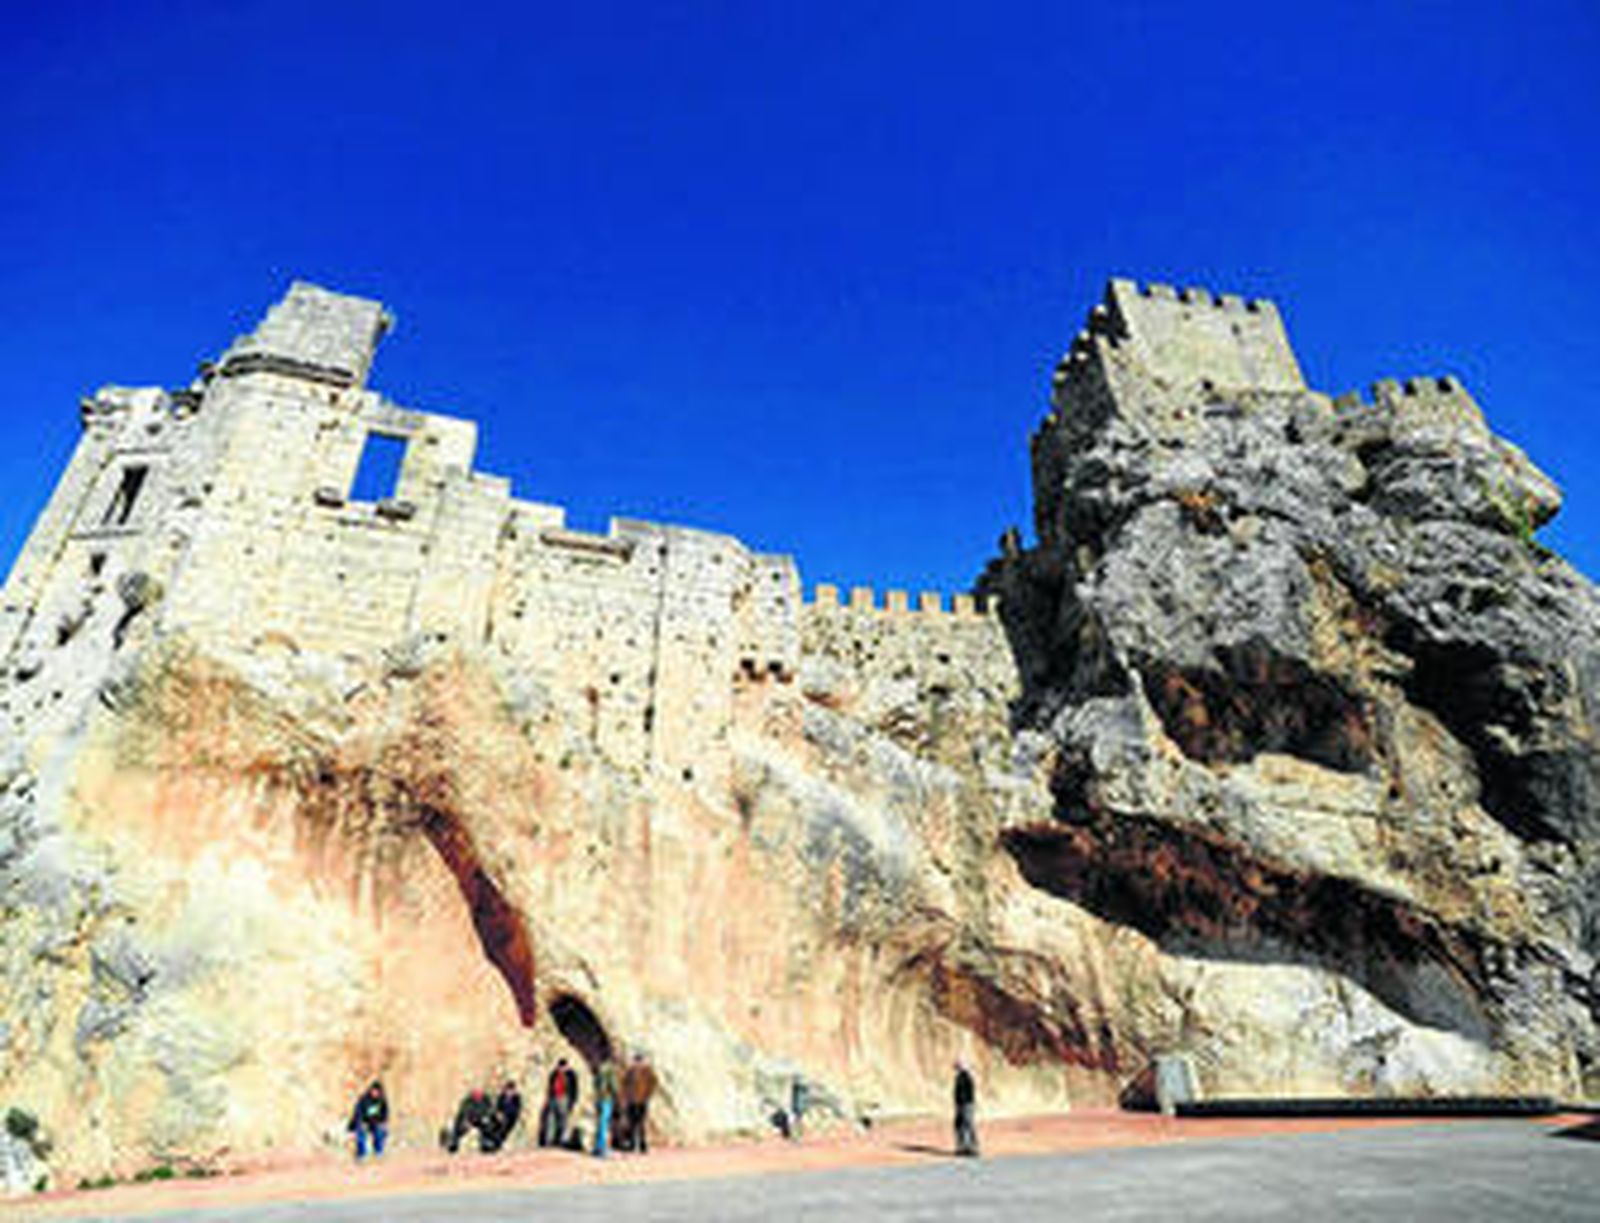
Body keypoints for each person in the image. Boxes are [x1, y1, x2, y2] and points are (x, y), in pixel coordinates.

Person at [621, 1053, 659, 1154]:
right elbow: (624, 1084)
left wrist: (647, 1095)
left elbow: (654, 1082)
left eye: (638, 1061)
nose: (637, 1063)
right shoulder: (630, 1071)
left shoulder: (647, 1071)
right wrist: (626, 1097)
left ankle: (642, 1145)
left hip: (641, 1101)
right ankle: (633, 1144)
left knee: (640, 1123)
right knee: (633, 1123)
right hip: (632, 1101)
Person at [444, 1087, 496, 1154]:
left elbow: (491, 1110)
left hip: (480, 1119)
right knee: (459, 1127)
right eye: (476, 1095)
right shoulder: (467, 1101)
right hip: (468, 1119)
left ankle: (486, 1144)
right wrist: (466, 1121)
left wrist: (487, 1117)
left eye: (479, 1095)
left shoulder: (486, 1100)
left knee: (488, 1127)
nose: (478, 1098)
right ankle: (453, 1143)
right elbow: (463, 1112)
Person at [347, 1080, 389, 1160]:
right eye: (373, 1091)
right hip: (364, 1121)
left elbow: (385, 1113)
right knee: (360, 1132)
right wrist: (352, 1128)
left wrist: (384, 1123)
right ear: (371, 1090)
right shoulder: (364, 1099)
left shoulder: (382, 1100)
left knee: (379, 1131)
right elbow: (357, 1114)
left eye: (377, 1092)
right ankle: (362, 1154)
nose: (375, 1093)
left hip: (375, 1121)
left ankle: (379, 1151)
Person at [482, 1079, 522, 1153]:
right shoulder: (501, 1097)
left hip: (510, 1118)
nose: (509, 1093)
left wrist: (505, 1114)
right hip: (500, 1116)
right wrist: (498, 1113)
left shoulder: (517, 1098)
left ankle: (497, 1144)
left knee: (503, 1128)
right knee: (489, 1123)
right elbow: (497, 1107)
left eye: (511, 1091)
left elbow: (516, 1110)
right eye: (508, 1090)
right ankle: (488, 1143)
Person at [592, 1057, 618, 1158]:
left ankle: (597, 1147)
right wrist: (616, 1095)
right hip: (606, 1098)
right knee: (604, 1123)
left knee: (600, 1123)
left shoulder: (599, 1069)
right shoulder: (609, 1071)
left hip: (598, 1099)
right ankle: (602, 1148)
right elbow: (613, 1086)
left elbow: (595, 1084)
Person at [953, 1061, 979, 1157]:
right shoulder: (961, 1077)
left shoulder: (965, 1077)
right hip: (963, 1105)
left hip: (966, 1105)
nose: (956, 1068)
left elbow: (966, 1093)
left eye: (958, 1066)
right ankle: (963, 1146)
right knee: (960, 1125)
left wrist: (962, 1104)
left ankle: (972, 1147)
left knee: (968, 1124)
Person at [789, 1076, 809, 1141]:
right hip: (796, 1107)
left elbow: (804, 1090)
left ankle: (798, 1136)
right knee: (796, 1122)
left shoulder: (797, 1087)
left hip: (798, 1107)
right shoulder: (799, 1088)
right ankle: (797, 1136)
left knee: (796, 1122)